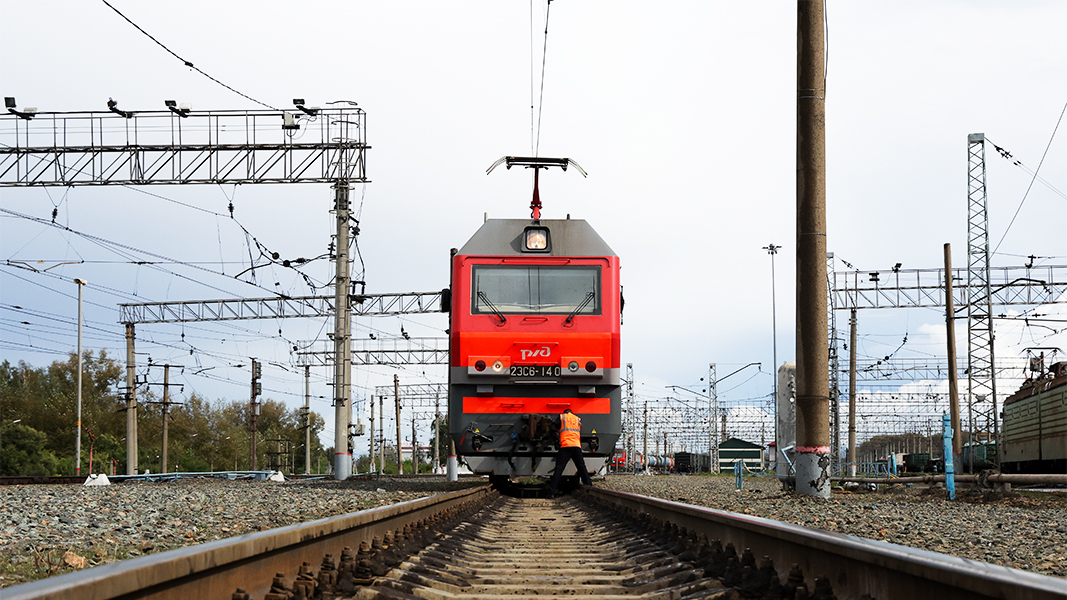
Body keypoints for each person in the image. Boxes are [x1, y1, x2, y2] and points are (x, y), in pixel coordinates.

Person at [547, 408, 593, 498]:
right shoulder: (577, 419)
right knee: (581, 467)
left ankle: (551, 493)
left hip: (565, 446)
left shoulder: (562, 417)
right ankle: (589, 486)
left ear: (565, 413)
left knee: (559, 469)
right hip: (576, 446)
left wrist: (556, 440)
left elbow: (553, 429)